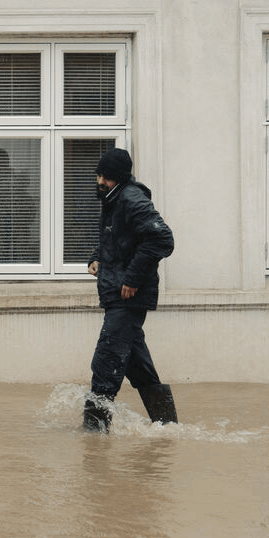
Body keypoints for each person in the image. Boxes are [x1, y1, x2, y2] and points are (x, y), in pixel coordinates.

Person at [84, 147, 178, 432]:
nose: (101, 181)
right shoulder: (113, 199)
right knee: (138, 367)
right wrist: (96, 257)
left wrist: (132, 279)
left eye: (107, 177)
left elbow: (162, 239)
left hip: (128, 297)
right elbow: (114, 237)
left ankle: (93, 439)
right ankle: (168, 429)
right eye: (99, 175)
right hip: (117, 295)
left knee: (106, 363)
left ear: (120, 178)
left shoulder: (131, 198)